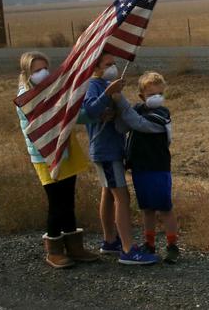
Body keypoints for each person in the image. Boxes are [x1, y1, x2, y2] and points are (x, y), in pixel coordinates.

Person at [16, 51, 99, 269]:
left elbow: (72, 113)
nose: (42, 73)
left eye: (45, 68)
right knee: (56, 203)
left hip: (65, 151)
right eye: (36, 70)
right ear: (27, 73)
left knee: (68, 199)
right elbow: (46, 119)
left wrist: (95, 111)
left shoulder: (53, 89)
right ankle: (53, 250)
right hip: (45, 156)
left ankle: (74, 246)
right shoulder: (26, 98)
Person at [82, 52, 159, 265]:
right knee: (122, 198)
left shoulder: (106, 85)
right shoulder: (94, 86)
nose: (113, 68)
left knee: (108, 192)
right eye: (108, 64)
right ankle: (128, 249)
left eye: (114, 64)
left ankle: (110, 240)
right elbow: (89, 110)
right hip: (105, 150)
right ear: (96, 68)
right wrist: (108, 94)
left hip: (111, 148)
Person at [113, 71, 180, 264]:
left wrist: (121, 102)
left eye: (160, 93)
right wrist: (114, 110)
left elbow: (138, 124)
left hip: (158, 167)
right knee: (147, 209)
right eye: (151, 95)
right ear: (142, 96)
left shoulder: (162, 114)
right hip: (140, 167)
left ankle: (172, 246)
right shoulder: (137, 109)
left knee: (165, 208)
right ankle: (149, 243)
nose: (156, 98)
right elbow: (122, 126)